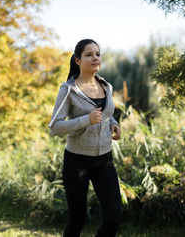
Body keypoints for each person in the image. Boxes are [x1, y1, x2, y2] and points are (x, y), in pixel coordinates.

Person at [48, 39, 122, 237]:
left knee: (114, 215)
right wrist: (86, 120)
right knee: (77, 220)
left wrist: (113, 123)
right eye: (88, 54)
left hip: (104, 160)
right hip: (77, 161)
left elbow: (105, 113)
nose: (95, 58)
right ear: (78, 60)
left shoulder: (106, 86)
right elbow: (54, 127)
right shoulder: (69, 89)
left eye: (97, 54)